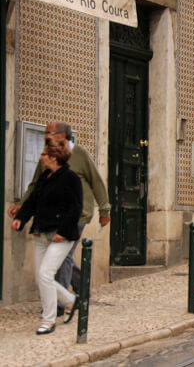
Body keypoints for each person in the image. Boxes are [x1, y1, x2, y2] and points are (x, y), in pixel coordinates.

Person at [8, 121, 110, 312]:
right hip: (52, 216)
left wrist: (105, 210)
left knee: (62, 258)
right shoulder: (47, 156)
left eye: (50, 133)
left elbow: (96, 182)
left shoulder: (80, 154)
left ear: (63, 136)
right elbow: (36, 184)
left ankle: (61, 305)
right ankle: (78, 290)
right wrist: (22, 204)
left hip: (78, 214)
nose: (46, 136)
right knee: (60, 258)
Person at [11, 139, 82, 335]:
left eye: (44, 154)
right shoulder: (44, 177)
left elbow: (76, 209)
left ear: (53, 157)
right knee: (41, 278)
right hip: (41, 233)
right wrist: (21, 218)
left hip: (62, 236)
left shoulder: (70, 178)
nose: (41, 157)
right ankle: (71, 301)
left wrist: (63, 232)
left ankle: (49, 320)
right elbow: (33, 201)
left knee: (45, 275)